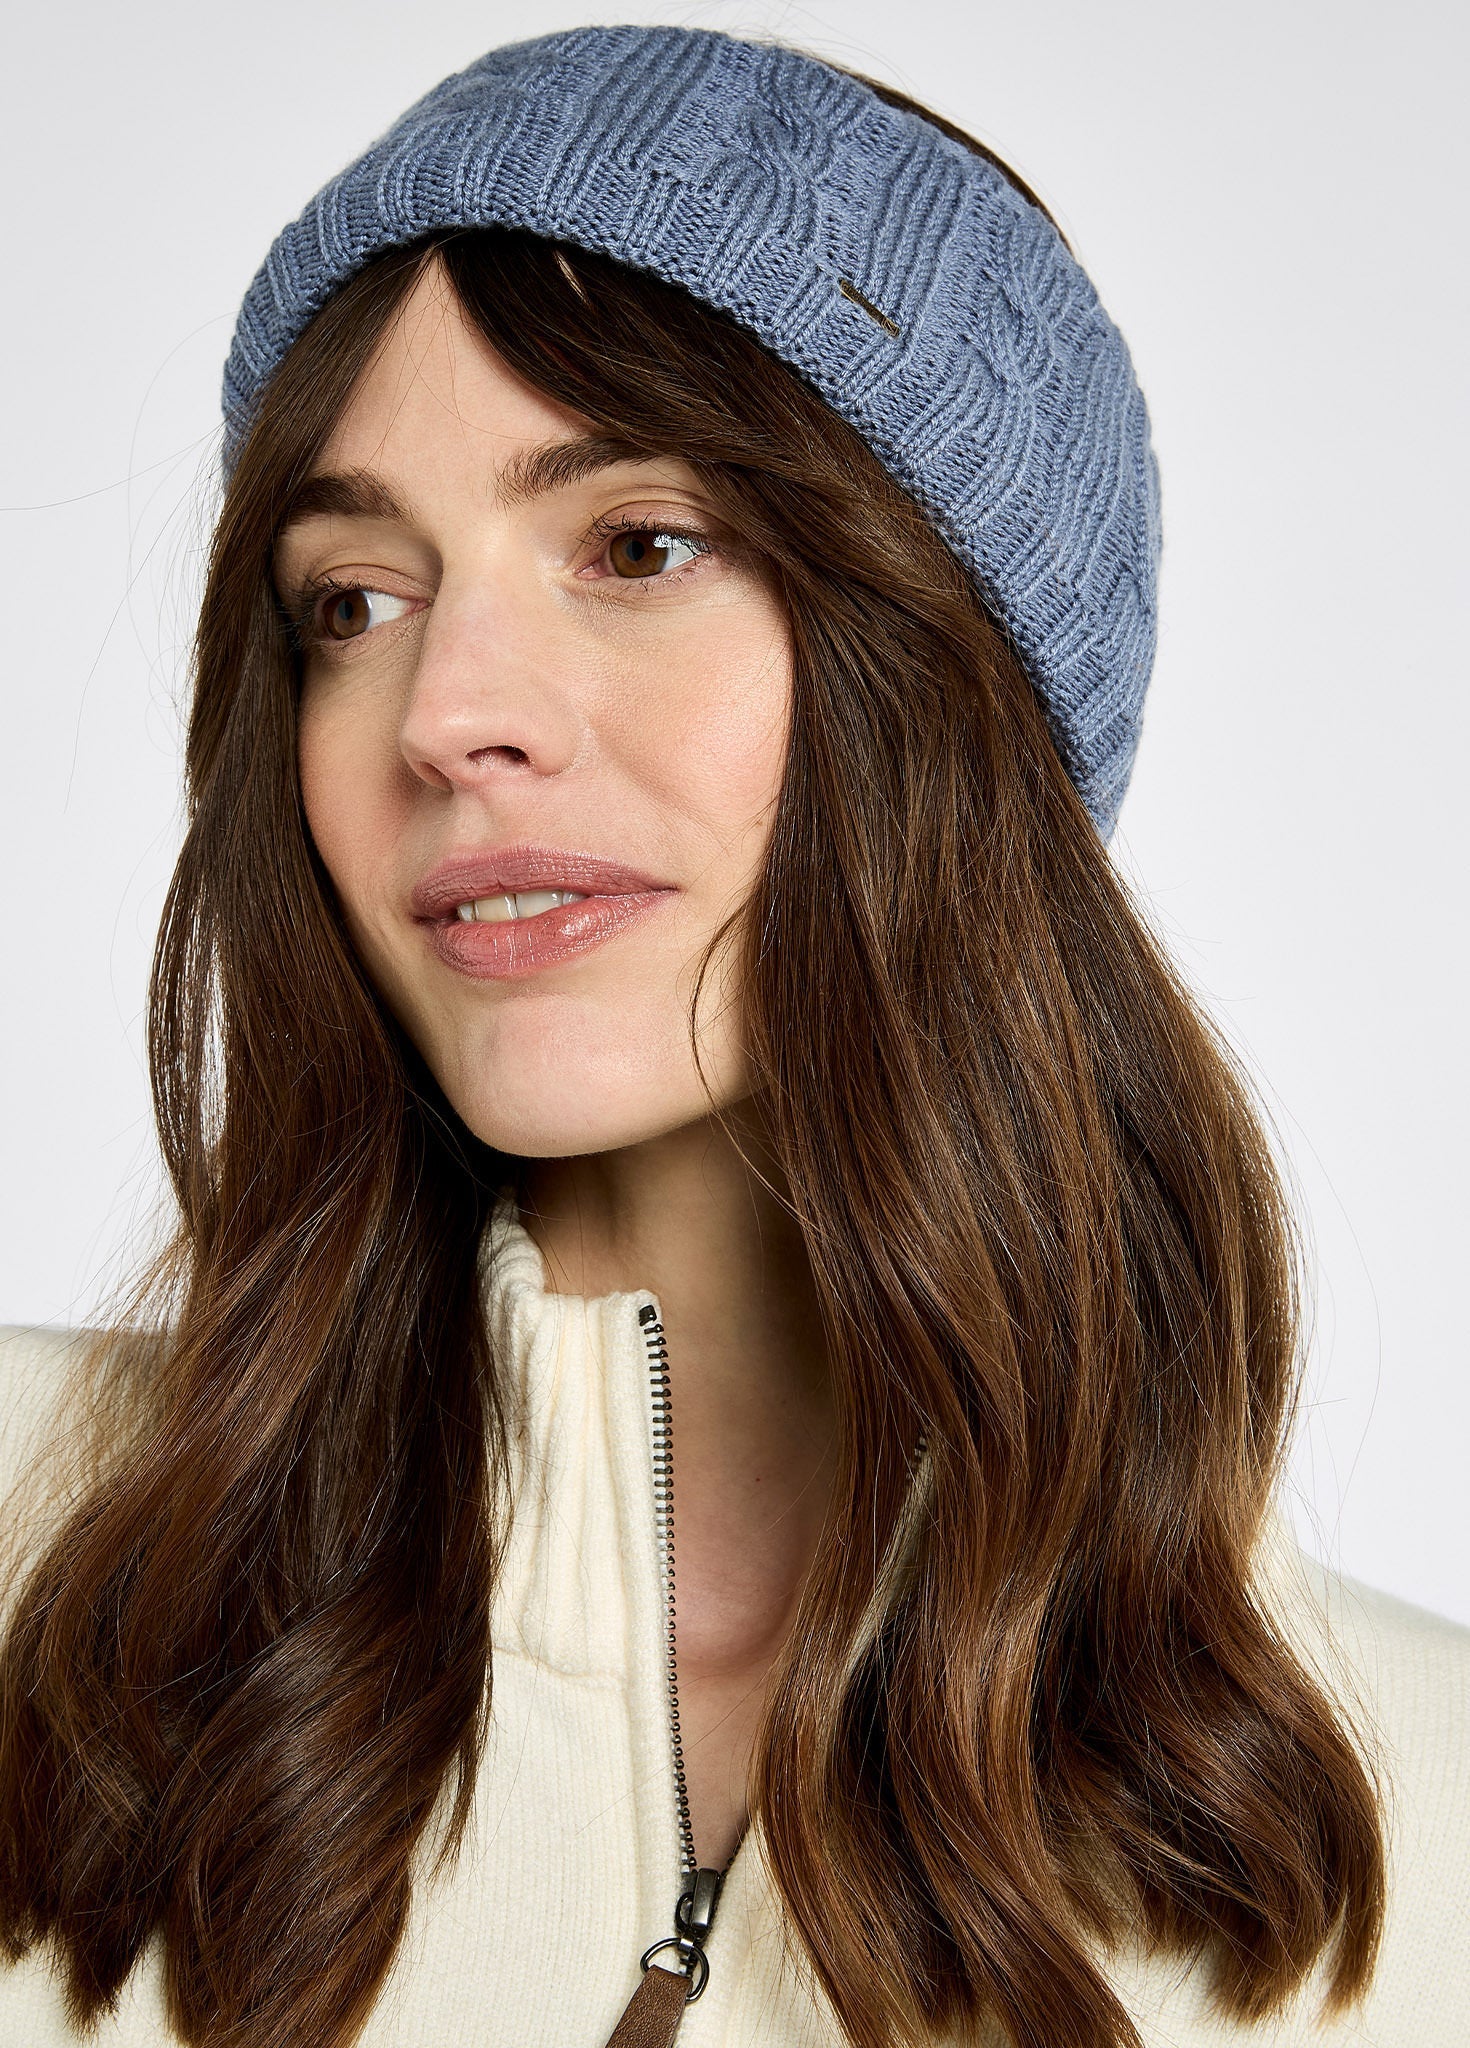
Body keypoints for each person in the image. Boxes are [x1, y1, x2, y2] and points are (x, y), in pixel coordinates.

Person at [1, 22, 1465, 2048]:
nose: (444, 709)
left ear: (949, 685)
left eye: (638, 545)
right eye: (350, 595)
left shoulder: (1429, 1821)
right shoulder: (30, 1575)